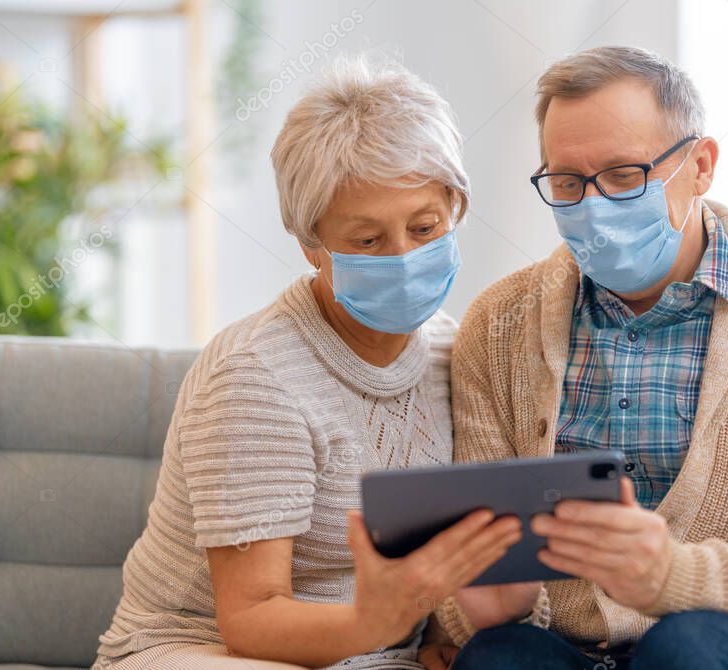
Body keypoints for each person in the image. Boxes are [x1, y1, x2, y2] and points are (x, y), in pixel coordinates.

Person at [428, 46, 728, 670]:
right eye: (568, 183)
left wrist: (674, 576)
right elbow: (469, 587)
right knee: (497, 656)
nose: (593, 205)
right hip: (573, 653)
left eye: (625, 175)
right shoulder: (498, 323)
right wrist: (490, 603)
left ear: (700, 166)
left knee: (686, 648)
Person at [92, 55, 542, 670]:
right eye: (367, 240)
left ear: (455, 210)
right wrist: (372, 626)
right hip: (202, 651)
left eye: (425, 226)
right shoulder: (255, 376)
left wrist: (439, 635)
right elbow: (250, 620)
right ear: (310, 244)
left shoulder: (451, 349)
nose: (405, 255)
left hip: (369, 654)